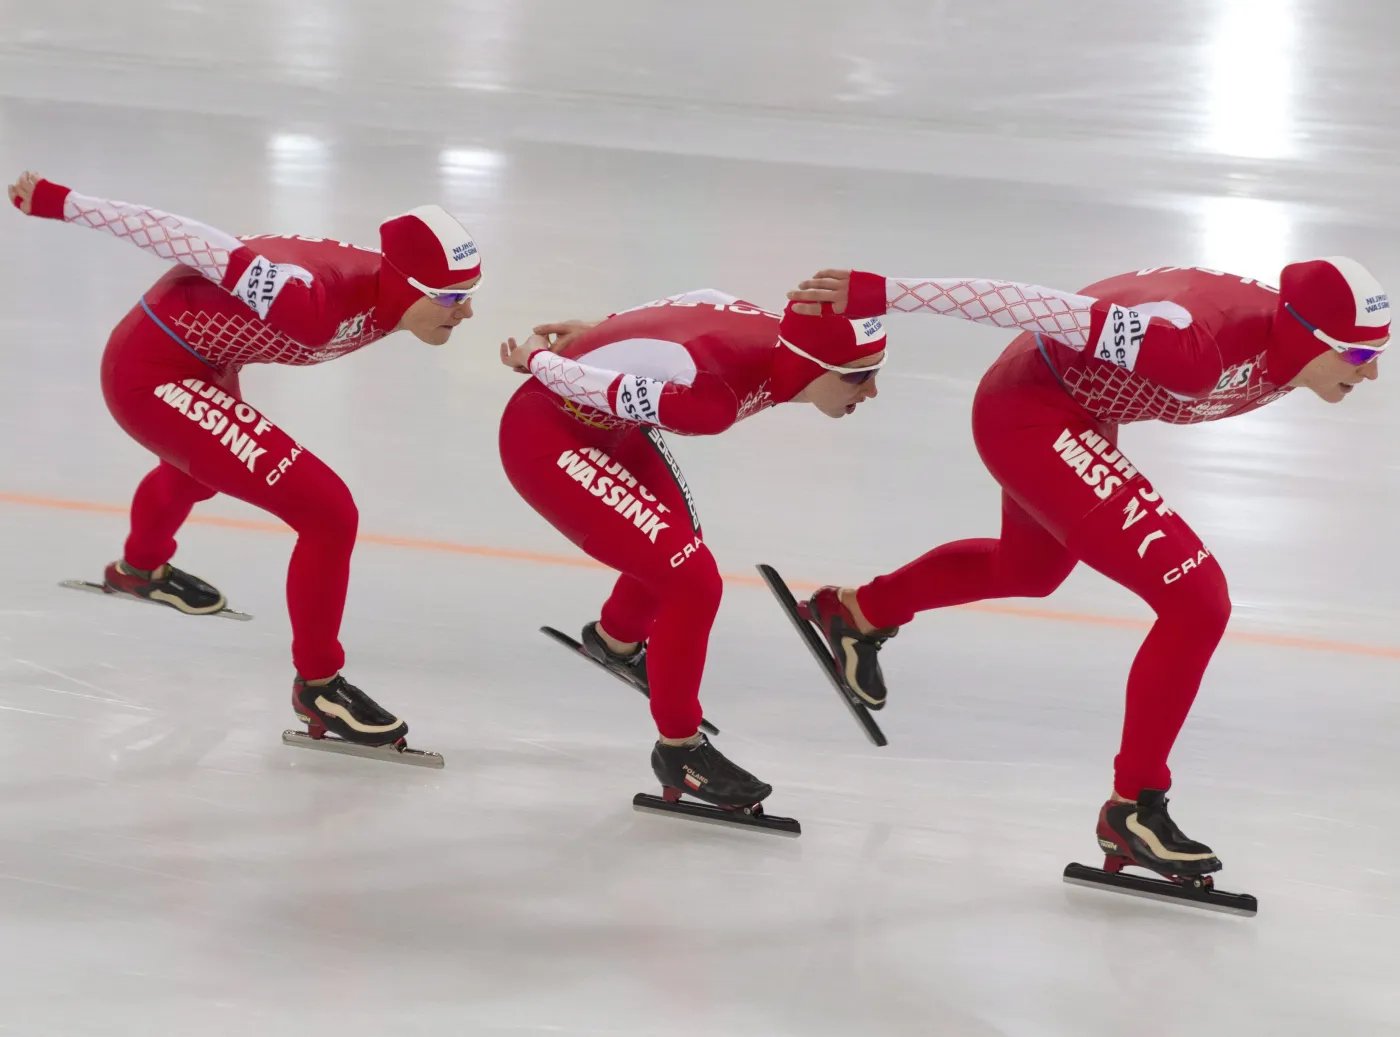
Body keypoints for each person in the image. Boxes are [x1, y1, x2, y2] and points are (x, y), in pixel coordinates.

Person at [786, 259, 1388, 879]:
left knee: (1031, 569)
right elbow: (1033, 304)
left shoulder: (1288, 340)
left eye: (1376, 353)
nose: (1371, 372)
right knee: (1197, 599)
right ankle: (1134, 810)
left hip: (1074, 402)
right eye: (1356, 355)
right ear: (1306, 336)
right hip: (1032, 410)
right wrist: (888, 292)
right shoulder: (1191, 350)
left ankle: (854, 613)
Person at [9, 170, 483, 758]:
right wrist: (62, 203)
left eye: (470, 295)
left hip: (202, 354)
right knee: (329, 513)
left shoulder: (389, 289)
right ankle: (319, 688)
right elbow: (182, 235)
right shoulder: (308, 301)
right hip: (149, 371)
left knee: (196, 475)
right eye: (452, 299)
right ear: (409, 287)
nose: (465, 315)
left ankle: (139, 567)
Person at [497, 287, 885, 819]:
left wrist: (603, 329)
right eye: (859, 375)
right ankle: (679, 752)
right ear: (815, 364)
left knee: (678, 549)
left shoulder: (784, 334)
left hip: (613, 427)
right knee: (692, 579)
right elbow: (589, 381)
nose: (872, 390)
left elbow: (705, 298)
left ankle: (615, 639)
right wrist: (540, 358)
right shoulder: (713, 403)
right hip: (547, 439)